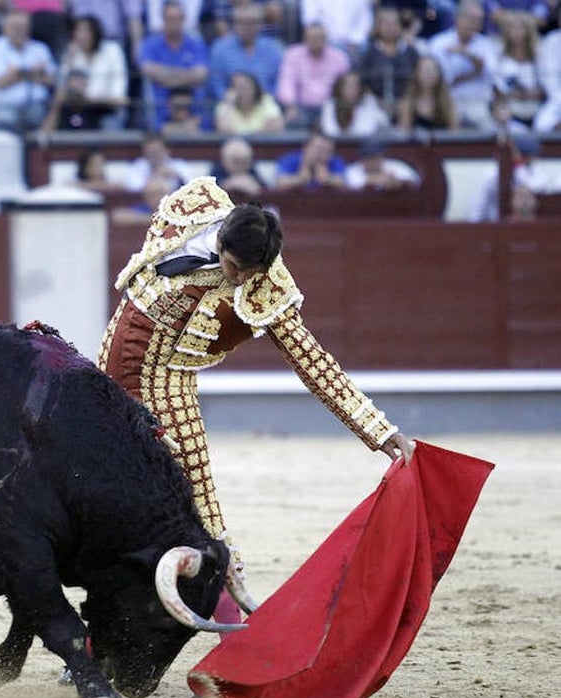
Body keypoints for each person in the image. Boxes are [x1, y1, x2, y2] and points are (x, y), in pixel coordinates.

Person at [100, 175, 414, 620]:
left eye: (251, 273)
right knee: (97, 498)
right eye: (233, 268)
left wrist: (380, 431)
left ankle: (231, 624)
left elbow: (313, 362)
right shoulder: (192, 205)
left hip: (166, 389)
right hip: (106, 371)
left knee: (199, 508)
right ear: (221, 240)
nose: (241, 279)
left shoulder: (267, 287)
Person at [41, 15, 128, 132]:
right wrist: (69, 61)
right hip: (78, 109)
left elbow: (119, 97)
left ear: (95, 32)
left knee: (110, 123)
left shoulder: (112, 50)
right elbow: (60, 91)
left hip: (106, 109)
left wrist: (90, 99)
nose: (80, 35)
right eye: (78, 30)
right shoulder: (72, 53)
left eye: (85, 30)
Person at [0, 10, 57, 133]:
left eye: (23, 27)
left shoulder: (40, 49)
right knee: (6, 124)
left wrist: (16, 73)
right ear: (5, 28)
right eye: (15, 27)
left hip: (37, 107)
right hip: (5, 108)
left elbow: (50, 80)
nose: (19, 31)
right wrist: (33, 72)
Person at [138, 1, 210, 131]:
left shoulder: (195, 43)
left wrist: (165, 77)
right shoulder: (150, 44)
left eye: (177, 19)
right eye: (169, 19)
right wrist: (187, 76)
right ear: (163, 20)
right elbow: (147, 69)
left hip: (192, 108)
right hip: (159, 108)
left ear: (184, 20)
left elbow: (201, 74)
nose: (173, 23)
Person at [427, 0, 499, 130]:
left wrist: (466, 53)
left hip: (478, 103)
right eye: (472, 19)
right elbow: (443, 77)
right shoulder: (439, 43)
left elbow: (490, 72)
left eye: (479, 20)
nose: (476, 24)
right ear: (458, 18)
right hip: (446, 101)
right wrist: (475, 72)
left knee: (488, 127)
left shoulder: (486, 44)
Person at [275, 22, 351, 130]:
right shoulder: (293, 55)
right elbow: (287, 82)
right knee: (291, 121)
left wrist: (337, 107)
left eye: (319, 37)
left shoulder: (339, 58)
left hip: (330, 108)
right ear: (304, 38)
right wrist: (290, 105)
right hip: (300, 107)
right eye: (311, 37)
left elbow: (344, 86)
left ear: (326, 39)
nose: (315, 41)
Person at [206, 4, 284, 104]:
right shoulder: (220, 48)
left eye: (253, 22)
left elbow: (280, 82)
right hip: (231, 104)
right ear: (234, 25)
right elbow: (216, 84)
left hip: (266, 105)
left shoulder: (273, 49)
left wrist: (264, 101)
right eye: (243, 23)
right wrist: (232, 100)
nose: (248, 27)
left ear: (261, 24)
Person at [470, 132, 558, 221]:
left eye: (531, 155)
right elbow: (480, 203)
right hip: (495, 221)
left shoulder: (534, 171)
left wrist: (519, 167)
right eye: (525, 155)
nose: (529, 159)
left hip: (527, 220)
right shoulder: (493, 173)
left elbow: (537, 187)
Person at [358, 5, 420, 123]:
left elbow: (417, 80)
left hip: (406, 103)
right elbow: (362, 83)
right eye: (386, 24)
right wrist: (378, 102)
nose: (390, 28)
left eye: (394, 23)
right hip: (374, 103)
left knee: (408, 109)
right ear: (378, 27)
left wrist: (404, 100)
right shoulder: (368, 53)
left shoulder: (411, 52)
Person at [493, 10, 545, 128]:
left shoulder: (539, 57)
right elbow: (495, 88)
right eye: (512, 28)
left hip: (536, 109)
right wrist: (509, 94)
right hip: (509, 111)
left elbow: (546, 86)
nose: (516, 32)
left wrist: (533, 93)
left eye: (520, 28)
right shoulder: (499, 56)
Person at [395, 55, 461, 130]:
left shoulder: (448, 103)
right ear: (416, 74)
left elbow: (455, 132)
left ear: (439, 74)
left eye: (432, 70)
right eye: (425, 71)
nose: (428, 74)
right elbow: (404, 133)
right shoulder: (407, 104)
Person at [319, 71, 392, 137]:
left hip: (365, 144)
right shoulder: (330, 105)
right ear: (340, 88)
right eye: (349, 86)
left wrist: (378, 103)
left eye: (356, 85)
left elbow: (384, 123)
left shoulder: (369, 101)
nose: (353, 89)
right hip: (337, 145)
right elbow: (330, 131)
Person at [213, 70, 285, 134]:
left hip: (262, 144)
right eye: (236, 88)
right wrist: (229, 103)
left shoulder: (265, 100)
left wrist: (250, 135)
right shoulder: (225, 105)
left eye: (244, 87)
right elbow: (224, 130)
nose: (241, 92)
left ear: (255, 88)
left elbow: (276, 126)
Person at [300, 0, 375, 60]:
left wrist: (355, 40)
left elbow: (365, 21)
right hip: (326, 41)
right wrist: (326, 39)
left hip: (354, 43)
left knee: (363, 47)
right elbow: (310, 21)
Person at [121, 132, 194, 193]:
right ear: (144, 152)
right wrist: (154, 176)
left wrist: (177, 177)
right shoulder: (137, 167)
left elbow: (192, 187)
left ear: (167, 150)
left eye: (158, 151)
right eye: (151, 152)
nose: (155, 155)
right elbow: (132, 188)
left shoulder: (180, 165)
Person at [273, 130, 347, 191]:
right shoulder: (290, 159)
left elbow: (344, 183)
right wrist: (300, 179)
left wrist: (328, 179)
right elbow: (279, 183)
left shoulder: (335, 160)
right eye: (320, 149)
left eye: (329, 151)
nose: (324, 155)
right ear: (306, 147)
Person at [343, 140, 422, 190]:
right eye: (368, 158)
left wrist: (398, 182)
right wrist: (377, 179)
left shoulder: (395, 165)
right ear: (361, 159)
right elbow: (349, 183)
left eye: (375, 157)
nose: (372, 162)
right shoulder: (353, 169)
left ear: (382, 157)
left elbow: (415, 180)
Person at [207, 135, 265, 201]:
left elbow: (264, 191)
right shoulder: (215, 173)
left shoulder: (252, 171)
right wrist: (228, 185)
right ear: (224, 160)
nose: (239, 166)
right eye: (235, 161)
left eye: (243, 161)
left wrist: (255, 186)